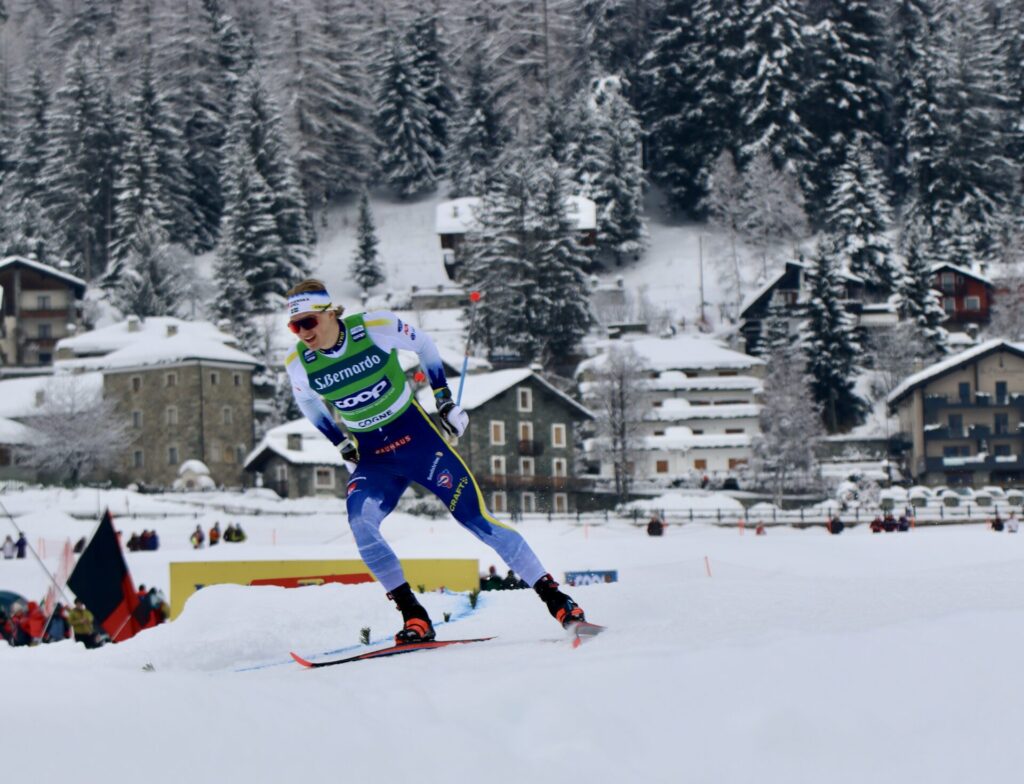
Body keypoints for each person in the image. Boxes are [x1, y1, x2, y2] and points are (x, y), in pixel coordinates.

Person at [284, 279, 586, 643]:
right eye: (294, 326)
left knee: (477, 520)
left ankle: (558, 601)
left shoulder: (375, 328)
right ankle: (415, 618)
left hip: (421, 445)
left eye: (308, 322)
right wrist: (340, 442)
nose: (303, 333)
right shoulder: (299, 363)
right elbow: (308, 403)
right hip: (375, 461)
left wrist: (444, 399)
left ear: (330, 313)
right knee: (361, 525)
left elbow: (424, 345)